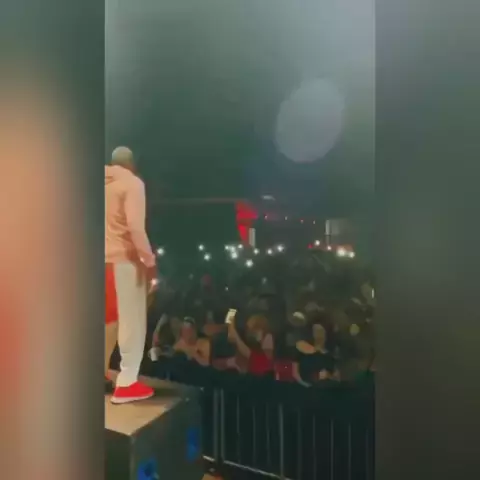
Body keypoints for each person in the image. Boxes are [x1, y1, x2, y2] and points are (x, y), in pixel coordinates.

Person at [105, 146, 157, 404]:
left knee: (107, 321)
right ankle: (127, 383)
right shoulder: (132, 183)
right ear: (132, 164)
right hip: (124, 261)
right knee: (132, 320)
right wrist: (149, 261)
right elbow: (136, 228)